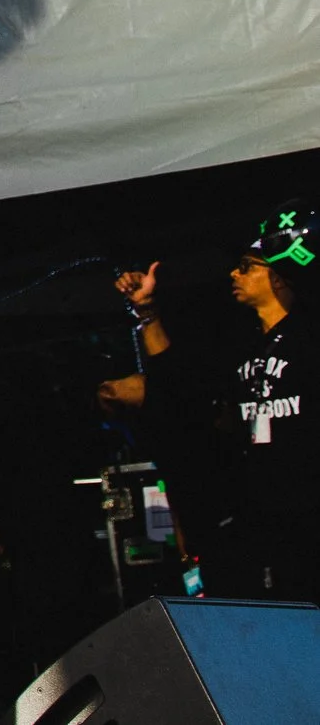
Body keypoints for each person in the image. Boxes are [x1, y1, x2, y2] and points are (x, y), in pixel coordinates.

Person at [117, 211, 320, 598]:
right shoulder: (240, 345)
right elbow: (175, 380)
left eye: (246, 268)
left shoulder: (310, 338)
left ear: (277, 275)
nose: (233, 275)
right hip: (258, 516)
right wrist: (148, 312)